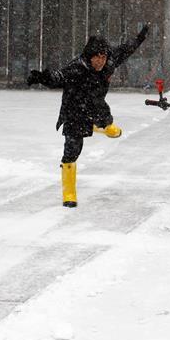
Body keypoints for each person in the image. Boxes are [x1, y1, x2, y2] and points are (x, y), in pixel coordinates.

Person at [27, 25, 149, 207]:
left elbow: (125, 50)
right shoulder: (77, 67)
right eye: (97, 58)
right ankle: (69, 193)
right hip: (75, 112)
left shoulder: (109, 62)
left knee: (109, 125)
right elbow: (58, 77)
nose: (100, 61)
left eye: (103, 57)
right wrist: (43, 78)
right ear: (89, 56)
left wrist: (139, 38)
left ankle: (104, 126)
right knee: (72, 151)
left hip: (97, 107)